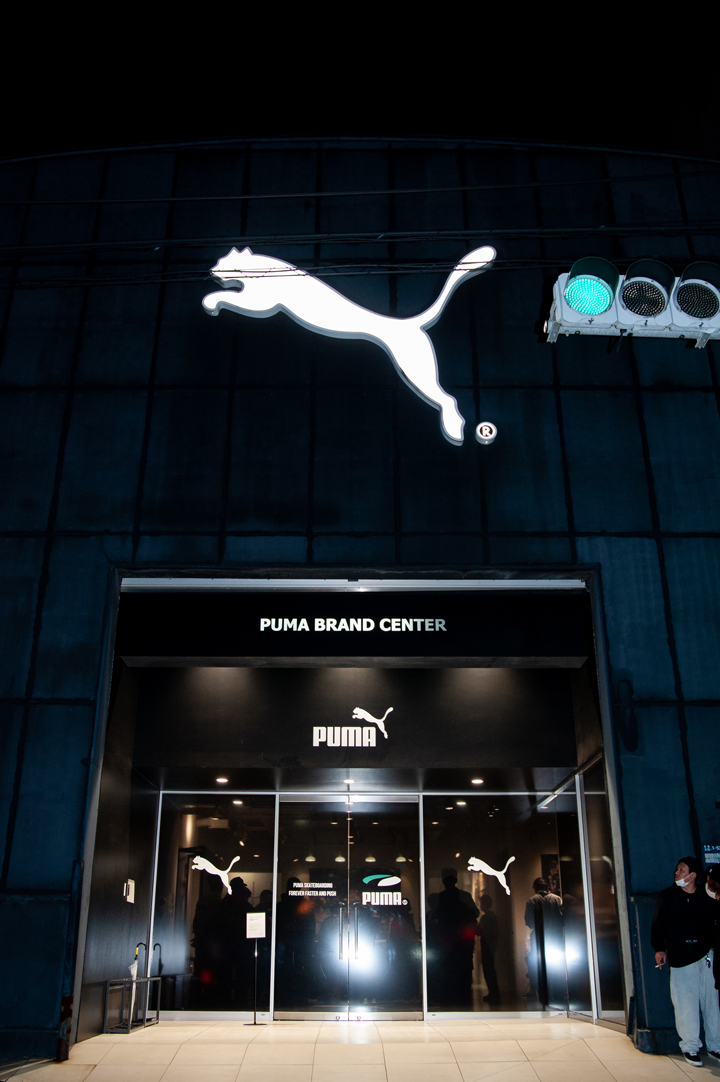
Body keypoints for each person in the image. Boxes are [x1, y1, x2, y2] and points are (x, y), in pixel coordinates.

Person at [651, 856, 720, 1067]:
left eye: (682, 870)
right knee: (685, 1003)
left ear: (693, 875)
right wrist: (659, 948)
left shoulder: (706, 897)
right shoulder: (668, 896)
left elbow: (715, 922)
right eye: (677, 869)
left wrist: (712, 945)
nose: (677, 873)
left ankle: (715, 1045)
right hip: (681, 957)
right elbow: (658, 924)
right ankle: (690, 1047)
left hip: (706, 957)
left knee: (712, 1003)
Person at [525, 877, 563, 1008]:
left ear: (535, 888)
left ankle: (543, 998)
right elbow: (562, 919)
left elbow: (529, 922)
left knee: (540, 968)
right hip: (555, 938)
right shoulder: (557, 899)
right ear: (548, 887)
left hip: (539, 938)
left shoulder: (532, 901)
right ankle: (558, 996)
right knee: (557, 969)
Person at [478, 895, 501, 1005]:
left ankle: (494, 993)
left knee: (489, 971)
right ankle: (493, 993)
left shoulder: (488, 917)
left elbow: (480, 930)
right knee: (489, 971)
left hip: (487, 947)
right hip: (489, 947)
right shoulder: (491, 916)